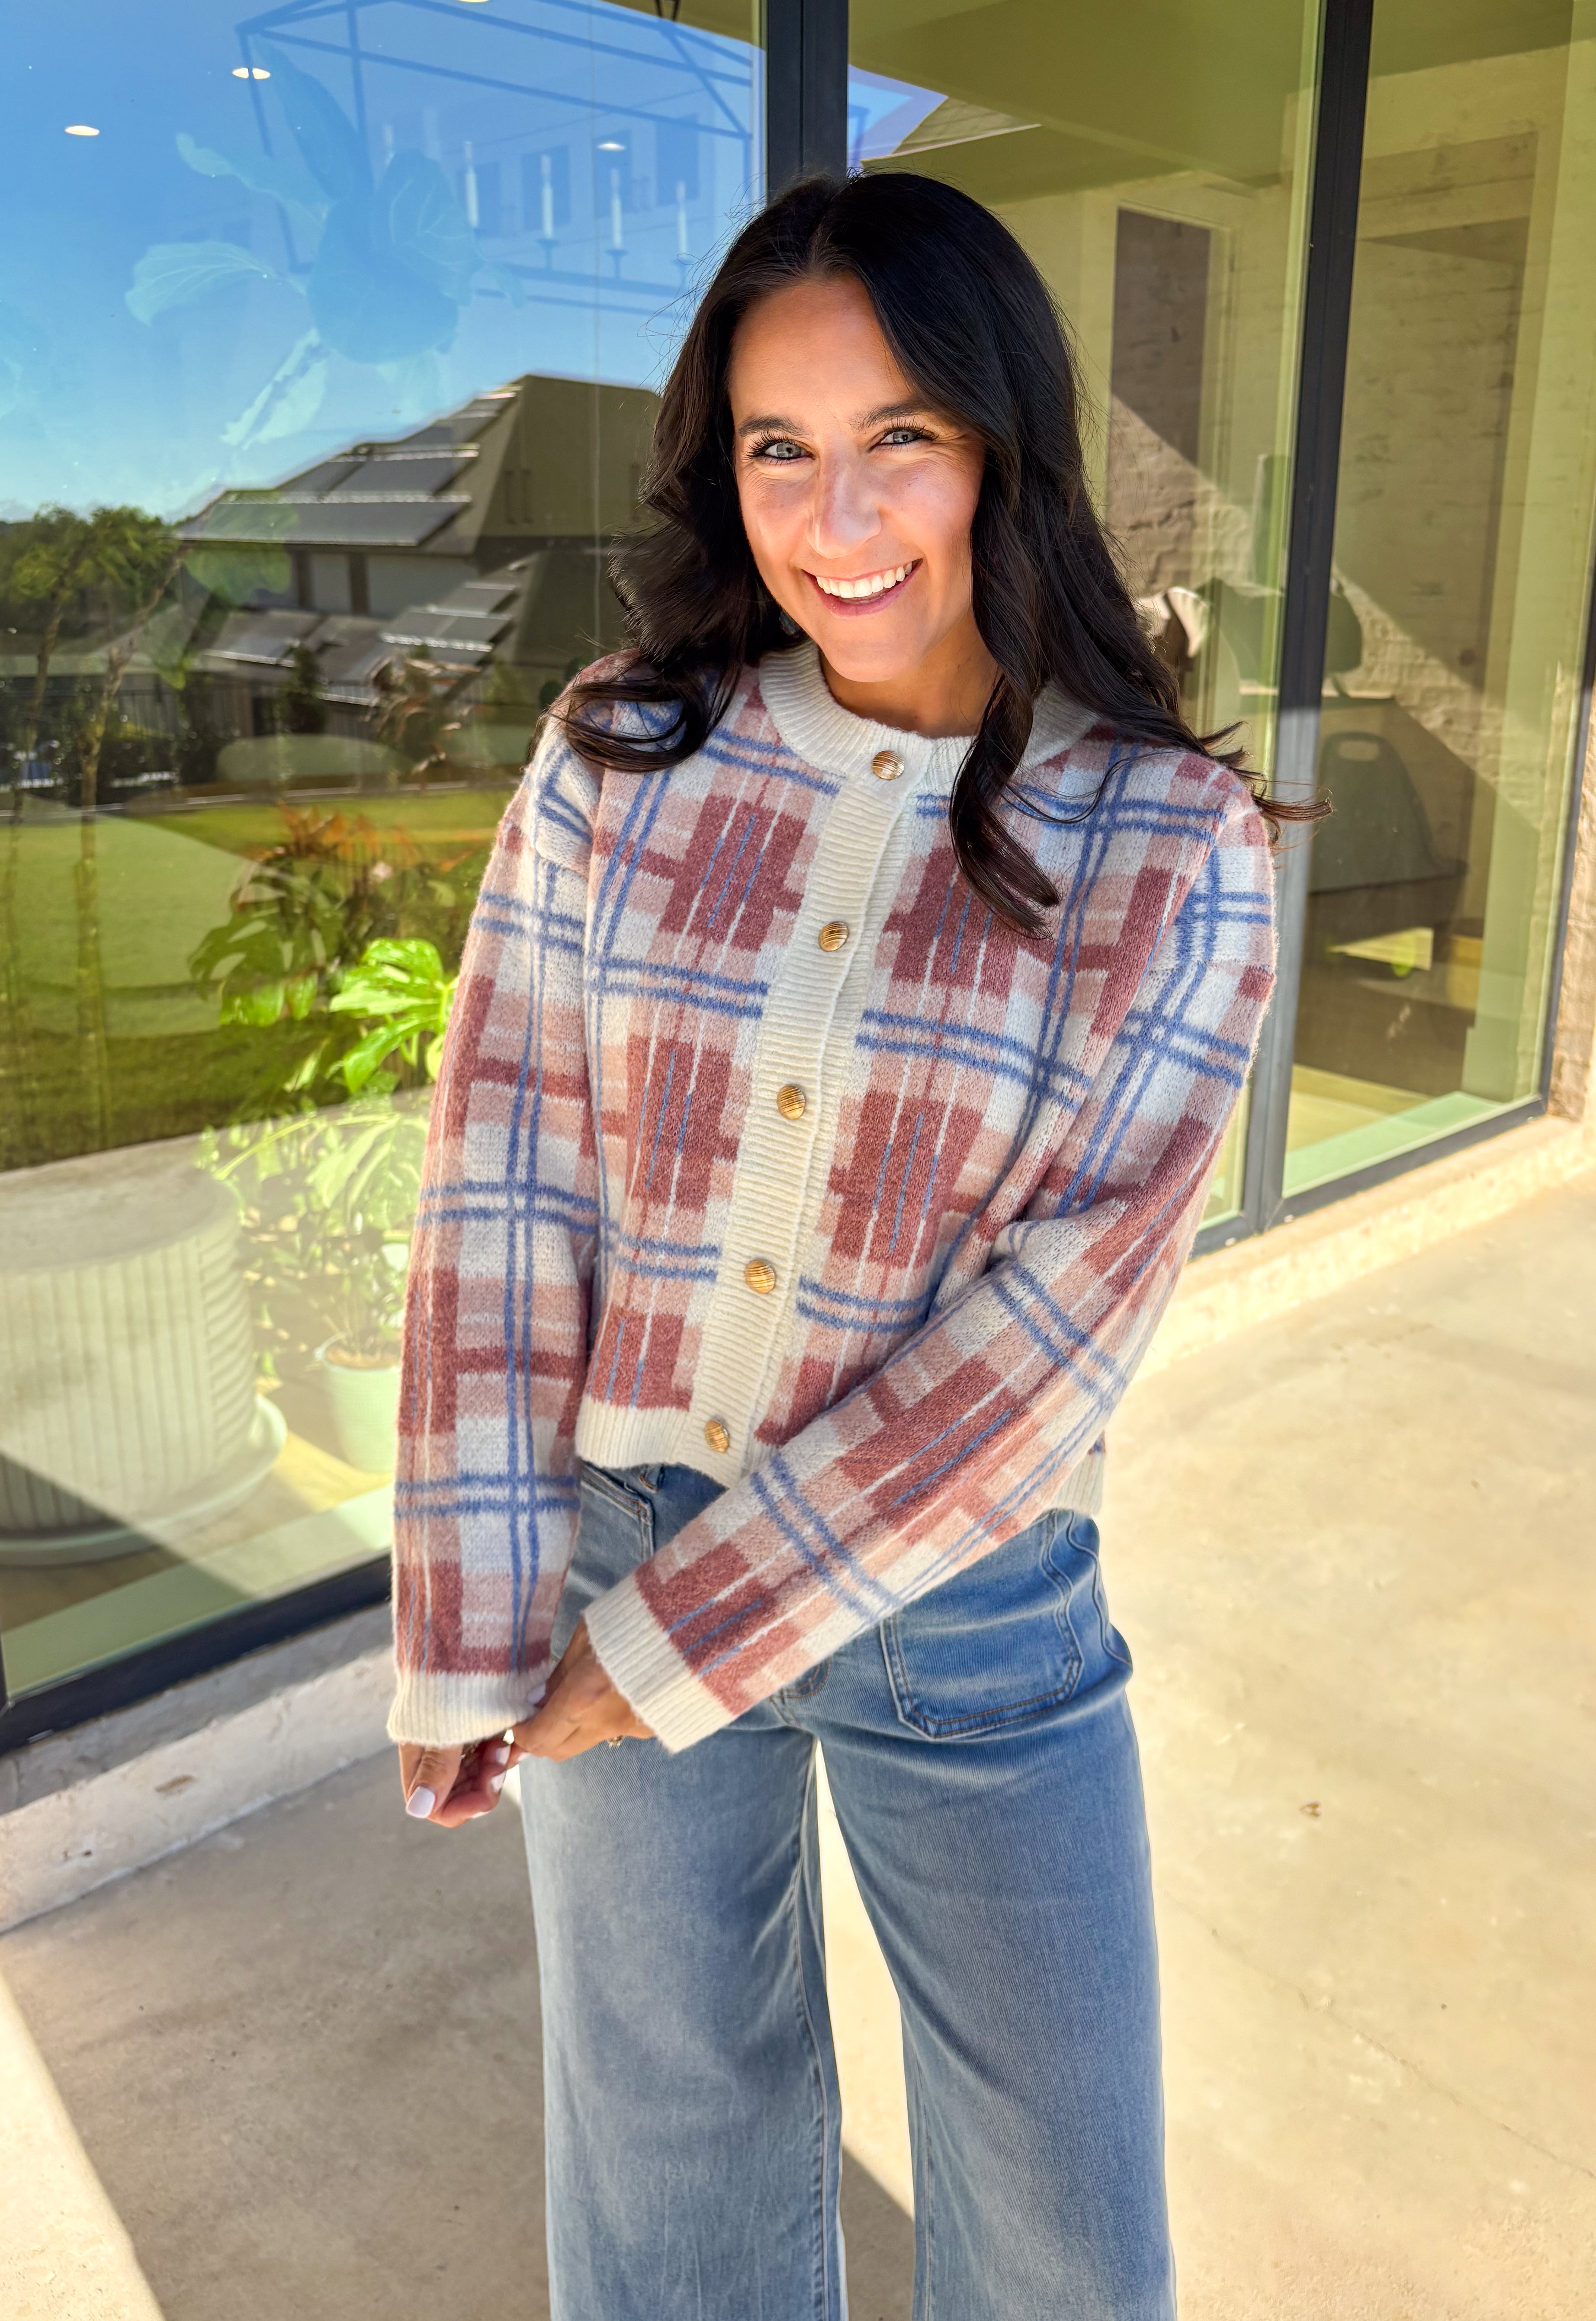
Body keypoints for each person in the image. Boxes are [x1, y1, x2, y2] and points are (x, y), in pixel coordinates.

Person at [389, 169, 1284, 2321]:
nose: (839, 516)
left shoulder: (1166, 847)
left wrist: (675, 1646)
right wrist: (476, 1616)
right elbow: (504, 1190)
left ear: (1002, 446)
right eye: (781, 450)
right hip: (613, 1542)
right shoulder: (623, 758)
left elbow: (1057, 1334)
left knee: (1066, 2231)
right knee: (670, 2177)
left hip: (972, 1612)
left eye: (901, 438)